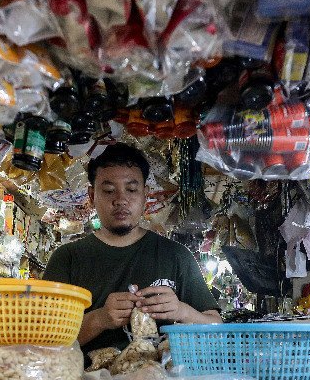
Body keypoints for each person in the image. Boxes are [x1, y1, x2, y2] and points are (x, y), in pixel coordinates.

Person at [43, 143, 222, 359]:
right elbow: (44, 340)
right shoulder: (67, 258)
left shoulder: (176, 256)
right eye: (109, 190)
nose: (120, 200)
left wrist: (181, 311)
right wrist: (100, 319)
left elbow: (216, 328)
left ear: (145, 195)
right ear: (92, 195)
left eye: (131, 189)